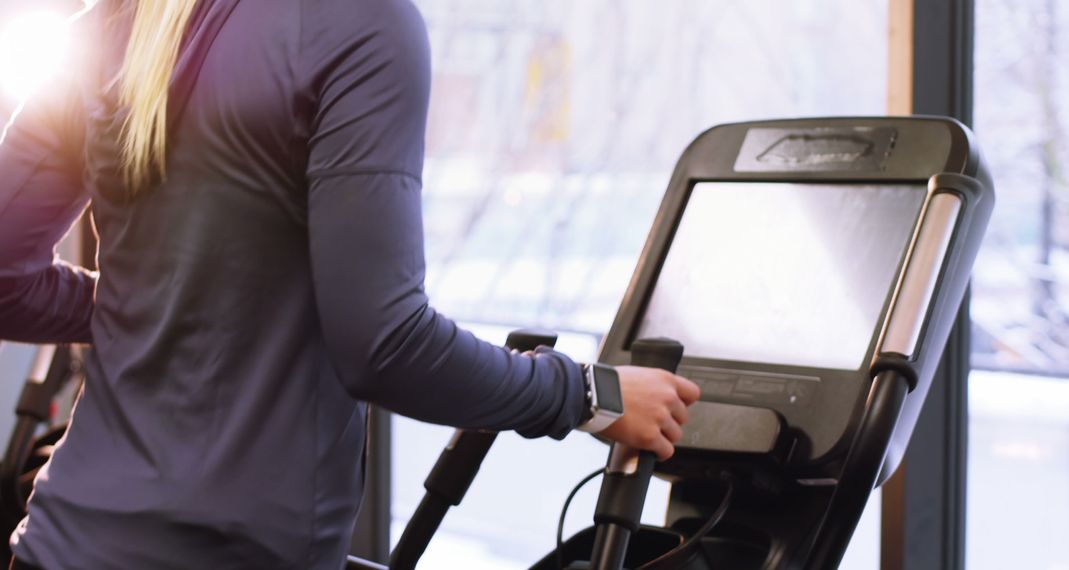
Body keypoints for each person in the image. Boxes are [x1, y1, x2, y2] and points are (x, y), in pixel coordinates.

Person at [0, 0, 700, 568]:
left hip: (58, 546)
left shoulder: (109, 26)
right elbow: (385, 344)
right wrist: (588, 396)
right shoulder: (361, 23)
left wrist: (159, 306)